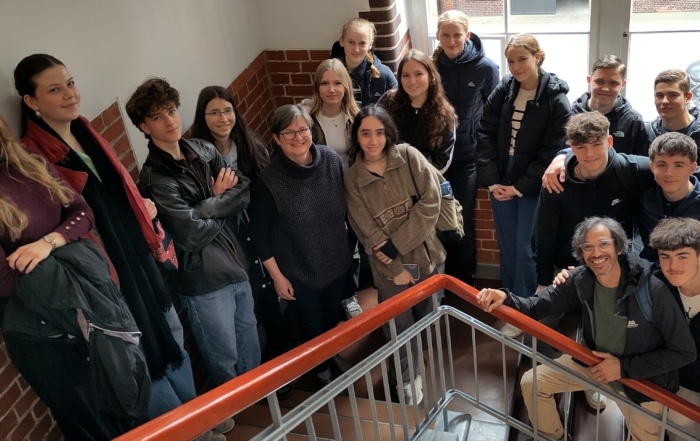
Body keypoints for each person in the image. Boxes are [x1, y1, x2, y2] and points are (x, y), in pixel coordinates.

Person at [11, 54, 226, 438]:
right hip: (105, 273)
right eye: (54, 89)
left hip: (136, 257)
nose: (69, 94)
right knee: (137, 357)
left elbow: (115, 192)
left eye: (70, 83)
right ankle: (187, 433)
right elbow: (72, 216)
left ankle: (198, 421)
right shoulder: (33, 154)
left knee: (170, 335)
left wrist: (140, 207)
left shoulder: (85, 131)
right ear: (31, 101)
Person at [477, 217, 696, 441]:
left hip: (641, 383)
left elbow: (684, 351)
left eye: (604, 244)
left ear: (619, 247)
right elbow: (536, 306)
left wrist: (623, 368)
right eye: (588, 247)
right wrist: (504, 297)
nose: (596, 253)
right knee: (532, 383)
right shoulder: (580, 279)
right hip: (593, 364)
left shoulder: (652, 289)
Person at [0, 114, 139, 440]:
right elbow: (5, 279)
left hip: (89, 305)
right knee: (94, 428)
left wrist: (49, 243)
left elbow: (82, 212)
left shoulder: (28, 161)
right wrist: (69, 252)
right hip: (41, 334)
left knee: (126, 408)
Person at [125, 78, 260, 394]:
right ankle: (234, 411)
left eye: (171, 111)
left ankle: (260, 404)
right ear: (144, 127)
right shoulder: (156, 178)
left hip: (235, 262)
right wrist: (217, 199)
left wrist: (206, 207)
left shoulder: (203, 149)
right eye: (157, 117)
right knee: (224, 359)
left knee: (251, 345)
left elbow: (243, 190)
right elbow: (191, 235)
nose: (169, 121)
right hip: (203, 280)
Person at [344, 106, 446, 405]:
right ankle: (406, 381)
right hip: (390, 271)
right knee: (398, 327)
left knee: (426, 321)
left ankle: (412, 366)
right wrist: (396, 268)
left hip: (428, 260)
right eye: (365, 133)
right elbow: (366, 229)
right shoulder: (352, 178)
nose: (373, 140)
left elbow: (431, 203)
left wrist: (396, 245)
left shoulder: (409, 156)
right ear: (356, 137)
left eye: (379, 132)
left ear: (388, 133)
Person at [247, 104, 351, 387]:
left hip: (336, 262)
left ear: (311, 131)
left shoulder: (330, 160)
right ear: (276, 139)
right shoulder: (268, 182)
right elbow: (259, 235)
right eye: (288, 132)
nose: (297, 137)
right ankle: (319, 370)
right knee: (311, 324)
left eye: (302, 130)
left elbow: (349, 205)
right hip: (299, 271)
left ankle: (330, 356)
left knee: (331, 318)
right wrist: (277, 278)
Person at [189, 86, 289, 363]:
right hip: (229, 238)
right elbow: (199, 207)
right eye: (214, 113)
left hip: (260, 228)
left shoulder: (250, 142)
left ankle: (281, 354)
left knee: (270, 293)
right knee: (248, 300)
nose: (223, 119)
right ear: (202, 117)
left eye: (227, 111)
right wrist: (217, 197)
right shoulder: (196, 155)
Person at [475, 34, 571, 312]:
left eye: (522, 59)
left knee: (525, 248)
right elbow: (484, 132)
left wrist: (519, 187)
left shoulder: (556, 100)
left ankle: (524, 308)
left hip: (533, 184)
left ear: (537, 58)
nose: (515, 67)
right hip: (500, 178)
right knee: (507, 245)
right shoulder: (504, 89)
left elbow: (552, 151)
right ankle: (505, 301)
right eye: (510, 61)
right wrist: (492, 181)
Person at [432, 10, 499, 285]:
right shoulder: (431, 67)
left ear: (467, 35)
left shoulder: (486, 68)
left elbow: (495, 114)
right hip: (434, 159)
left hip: (466, 159)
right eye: (445, 35)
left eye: (457, 35)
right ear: (438, 36)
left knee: (460, 219)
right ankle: (438, 279)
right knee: (433, 218)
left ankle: (462, 281)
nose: (451, 40)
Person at [300, 59, 363, 319]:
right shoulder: (306, 117)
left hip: (350, 189)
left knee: (351, 243)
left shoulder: (356, 117)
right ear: (317, 87)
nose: (331, 89)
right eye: (325, 83)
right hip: (318, 191)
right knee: (326, 244)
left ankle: (349, 295)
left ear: (346, 86)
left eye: (337, 83)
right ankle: (329, 294)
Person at [648, 218, 700, 440]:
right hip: (679, 384)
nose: (673, 266)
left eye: (682, 256)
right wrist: (569, 276)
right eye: (665, 257)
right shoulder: (656, 284)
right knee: (681, 426)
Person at [378, 49, 456, 174]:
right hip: (387, 175)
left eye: (418, 74)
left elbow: (442, 162)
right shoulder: (388, 102)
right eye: (406, 75)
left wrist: (411, 172)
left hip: (425, 179)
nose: (412, 81)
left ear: (431, 77)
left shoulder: (445, 115)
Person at [639, 132, 700, 261]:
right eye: (662, 165)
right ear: (652, 167)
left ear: (692, 168)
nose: (669, 173)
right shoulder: (645, 199)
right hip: (652, 268)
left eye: (678, 165)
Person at [571, 55, 648, 155]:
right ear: (589, 80)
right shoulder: (570, 116)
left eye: (613, 83)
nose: (605, 88)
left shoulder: (633, 122)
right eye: (599, 81)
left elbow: (641, 160)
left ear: (623, 84)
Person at [333, 17, 397, 107]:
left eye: (362, 43)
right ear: (342, 41)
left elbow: (398, 107)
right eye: (351, 42)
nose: (356, 49)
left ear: (370, 44)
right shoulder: (330, 73)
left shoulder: (384, 75)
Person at [647, 69, 700, 146]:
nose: (665, 101)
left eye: (672, 95)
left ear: (688, 97)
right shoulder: (646, 135)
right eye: (660, 95)